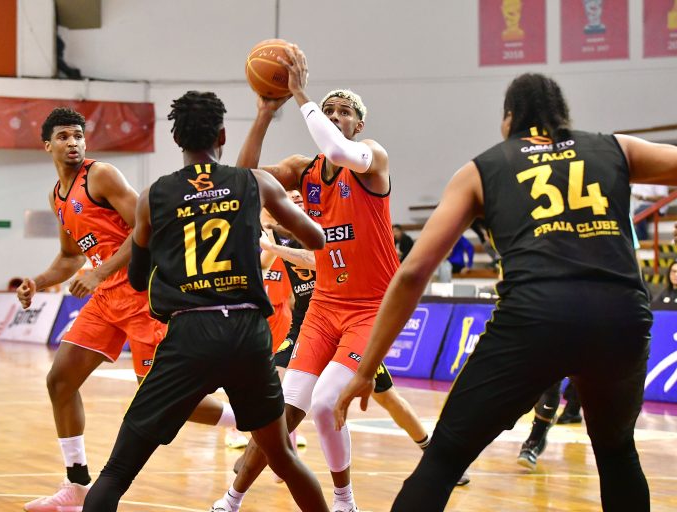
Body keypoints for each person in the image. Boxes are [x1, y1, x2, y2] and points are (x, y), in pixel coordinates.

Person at [335, 72, 677, 511]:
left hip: (535, 319)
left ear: (509, 119)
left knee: (445, 457)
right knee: (617, 453)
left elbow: (413, 272)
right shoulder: (616, 148)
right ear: (562, 114)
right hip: (621, 317)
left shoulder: (483, 169)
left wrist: (366, 368)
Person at [81, 91, 329, 512]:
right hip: (247, 334)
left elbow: (137, 278)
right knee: (284, 459)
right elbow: (317, 239)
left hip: (189, 332)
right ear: (222, 135)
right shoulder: (255, 182)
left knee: (116, 473)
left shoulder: (154, 197)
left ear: (176, 139)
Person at [212, 45, 401, 512]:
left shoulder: (372, 158)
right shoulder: (304, 170)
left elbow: (337, 149)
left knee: (325, 403)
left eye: (345, 112)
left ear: (359, 125)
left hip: (372, 309)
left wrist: (300, 94)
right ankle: (230, 501)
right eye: (329, 109)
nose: (335, 116)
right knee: (281, 413)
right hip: (325, 306)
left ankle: (344, 501)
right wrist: (263, 114)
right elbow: (243, 179)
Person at [18, 107, 234, 512]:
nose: (73, 142)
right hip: (106, 300)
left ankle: (254, 420)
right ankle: (76, 485)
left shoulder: (101, 176)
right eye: (63, 136)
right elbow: (70, 257)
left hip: (141, 295)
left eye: (78, 135)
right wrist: (38, 282)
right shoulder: (57, 196)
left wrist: (100, 272)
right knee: (60, 380)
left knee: (162, 399)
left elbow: (146, 228)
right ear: (47, 145)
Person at [262, 210, 470, 485]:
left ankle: (433, 453)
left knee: (388, 399)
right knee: (278, 385)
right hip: (308, 323)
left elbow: (315, 261)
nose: (297, 199)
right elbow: (263, 260)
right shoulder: (277, 230)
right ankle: (285, 458)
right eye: (290, 197)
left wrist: (273, 246)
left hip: (349, 321)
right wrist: (264, 230)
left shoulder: (326, 226)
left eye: (300, 195)